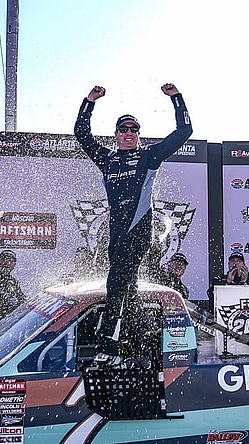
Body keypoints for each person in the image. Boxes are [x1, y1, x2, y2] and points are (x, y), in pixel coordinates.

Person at [74, 82, 192, 368]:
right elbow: (81, 133)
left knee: (115, 283)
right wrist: (90, 101)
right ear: (116, 135)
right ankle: (143, 345)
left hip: (139, 230)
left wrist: (176, 98)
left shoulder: (149, 156)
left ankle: (111, 348)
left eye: (133, 130)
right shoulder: (107, 158)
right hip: (116, 232)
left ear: (138, 135)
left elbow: (184, 131)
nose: (129, 134)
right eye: (124, 130)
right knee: (128, 290)